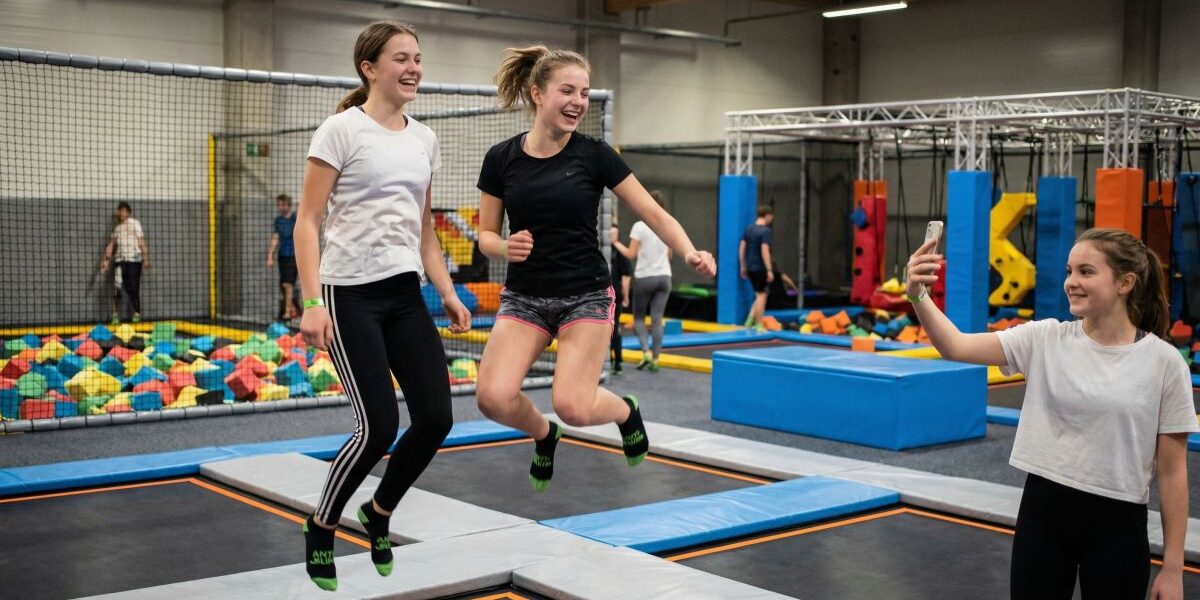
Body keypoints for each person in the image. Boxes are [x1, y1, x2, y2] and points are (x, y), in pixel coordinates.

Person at [474, 45, 715, 493]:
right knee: (492, 398)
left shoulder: (594, 154)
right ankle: (545, 435)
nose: (577, 102)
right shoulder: (501, 158)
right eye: (567, 90)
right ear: (536, 94)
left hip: (585, 294)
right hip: (525, 298)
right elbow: (485, 236)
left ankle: (626, 411)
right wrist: (505, 246)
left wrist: (689, 250)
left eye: (583, 93)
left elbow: (654, 214)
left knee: (575, 405)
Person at [905, 227, 1194, 600]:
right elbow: (955, 346)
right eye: (1069, 271)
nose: (1071, 282)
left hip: (1118, 526)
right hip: (1044, 514)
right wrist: (918, 295)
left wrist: (1173, 569)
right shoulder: (1045, 338)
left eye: (1086, 272)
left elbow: (1172, 474)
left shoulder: (1164, 363)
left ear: (1125, 282)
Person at [294, 20, 471, 592]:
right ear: (370, 68)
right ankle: (322, 524)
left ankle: (380, 511)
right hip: (350, 296)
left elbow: (422, 229)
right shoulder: (340, 131)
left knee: (438, 418)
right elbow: (308, 222)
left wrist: (446, 291)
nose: (414, 67)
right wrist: (312, 301)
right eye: (402, 58)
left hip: (405, 294)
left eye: (418, 57)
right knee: (376, 428)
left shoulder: (424, 139)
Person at [613, 190, 672, 372]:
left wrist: (615, 243)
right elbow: (669, 255)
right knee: (657, 319)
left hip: (645, 277)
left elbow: (631, 254)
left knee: (638, 318)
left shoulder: (640, 226)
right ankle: (656, 358)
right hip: (664, 276)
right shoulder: (668, 224)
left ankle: (645, 352)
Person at [100, 201, 149, 324]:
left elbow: (141, 240)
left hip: (134, 260)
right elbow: (111, 245)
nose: (120, 213)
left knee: (133, 287)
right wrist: (105, 261)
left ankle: (136, 313)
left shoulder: (134, 224)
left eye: (123, 210)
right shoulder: (117, 229)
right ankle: (115, 315)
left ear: (127, 212)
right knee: (117, 286)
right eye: (119, 210)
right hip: (120, 261)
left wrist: (145, 258)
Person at [267, 193, 302, 321]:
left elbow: (302, 212)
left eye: (283, 204)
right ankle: (294, 309)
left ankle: (287, 312)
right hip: (282, 255)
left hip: (294, 255)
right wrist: (270, 255)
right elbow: (275, 238)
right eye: (279, 205)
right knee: (283, 285)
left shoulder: (294, 217)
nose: (280, 207)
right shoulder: (278, 220)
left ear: (288, 205)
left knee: (288, 284)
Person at [739, 205, 774, 331]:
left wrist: (743, 266)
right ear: (768, 216)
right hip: (760, 267)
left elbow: (742, 248)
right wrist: (769, 269)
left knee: (758, 294)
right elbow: (765, 250)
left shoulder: (749, 229)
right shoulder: (765, 231)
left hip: (750, 267)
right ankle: (759, 324)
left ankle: (749, 319)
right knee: (762, 295)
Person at [608, 219, 632, 375]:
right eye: (611, 233)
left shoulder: (620, 253)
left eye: (615, 233)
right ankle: (608, 360)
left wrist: (626, 294)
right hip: (601, 295)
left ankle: (617, 361)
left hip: (615, 295)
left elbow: (626, 275)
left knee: (615, 328)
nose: (613, 236)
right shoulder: (599, 249)